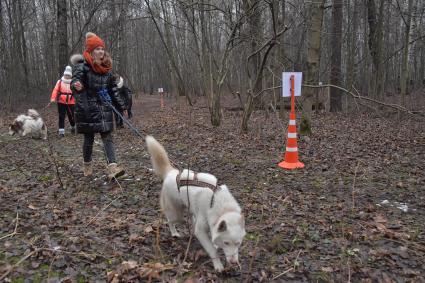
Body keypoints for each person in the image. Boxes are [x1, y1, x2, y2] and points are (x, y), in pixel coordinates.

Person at [70, 32, 126, 179]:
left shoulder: (107, 68)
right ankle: (87, 164)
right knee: (89, 140)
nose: (101, 51)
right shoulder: (82, 67)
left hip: (104, 108)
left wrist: (122, 106)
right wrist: (76, 85)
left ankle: (112, 168)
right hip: (87, 109)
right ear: (90, 51)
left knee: (107, 137)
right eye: (97, 49)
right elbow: (74, 84)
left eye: (102, 48)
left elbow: (113, 90)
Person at [50, 66, 75, 137]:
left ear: (70, 76)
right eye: (66, 75)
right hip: (61, 102)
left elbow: (77, 91)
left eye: (68, 75)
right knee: (61, 116)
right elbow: (55, 90)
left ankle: (73, 126)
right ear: (64, 74)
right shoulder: (60, 81)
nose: (67, 76)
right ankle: (61, 131)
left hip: (71, 102)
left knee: (72, 116)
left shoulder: (73, 82)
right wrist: (53, 98)